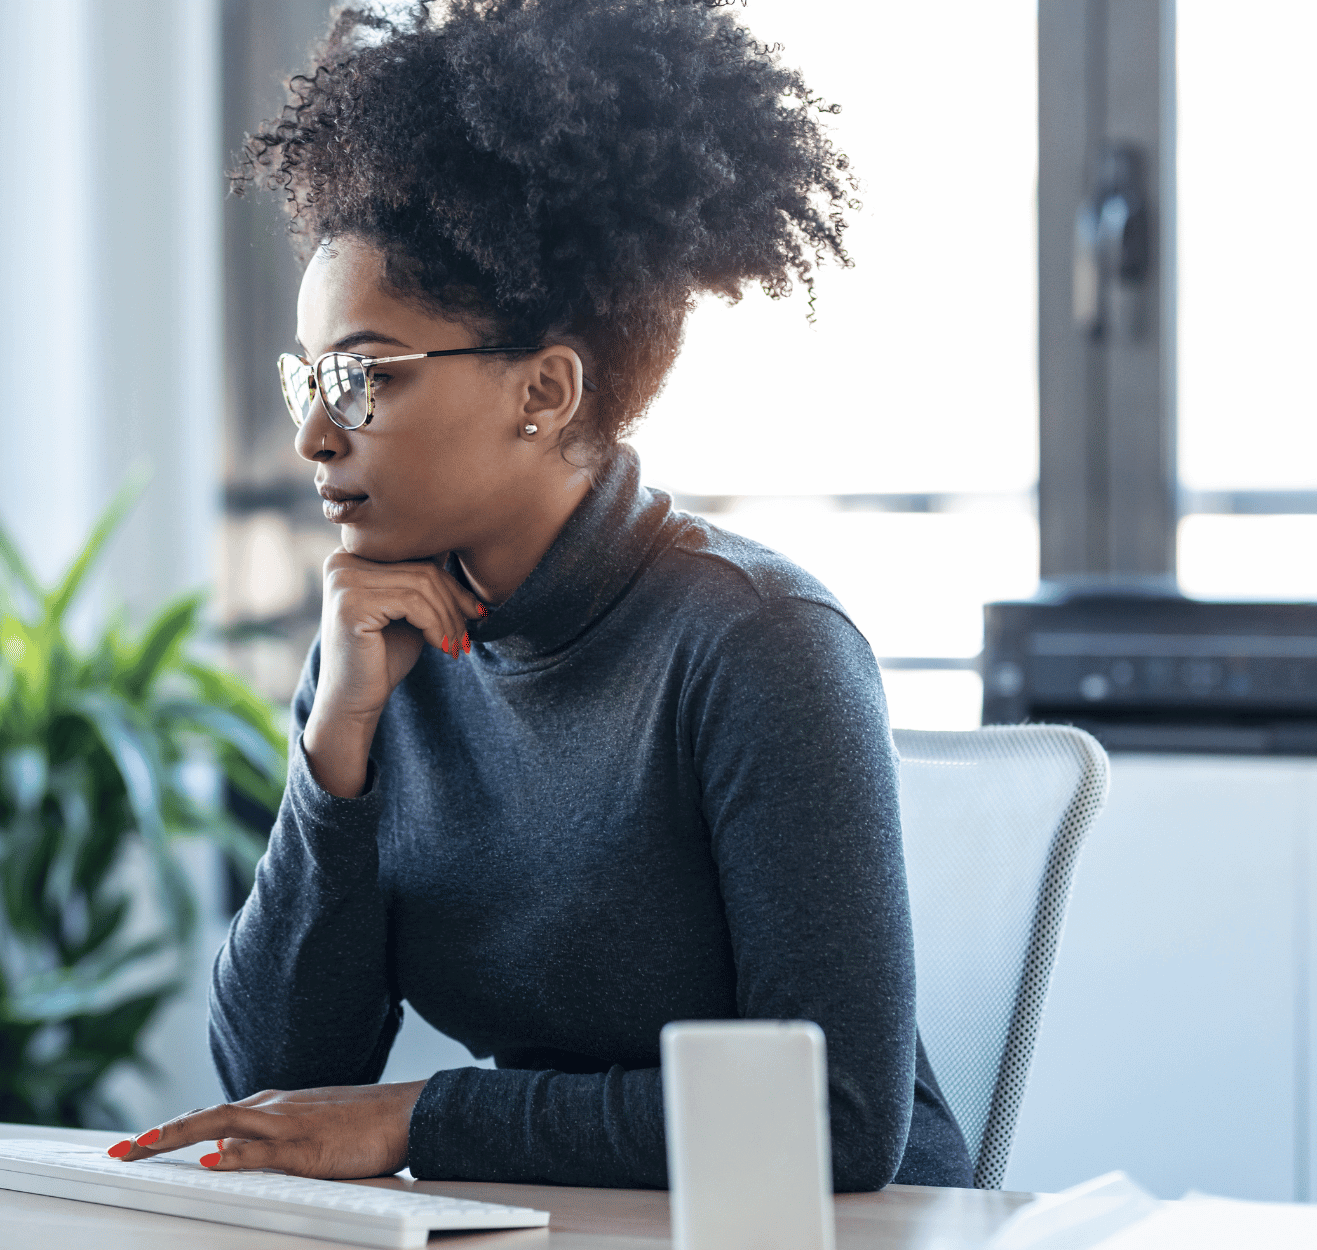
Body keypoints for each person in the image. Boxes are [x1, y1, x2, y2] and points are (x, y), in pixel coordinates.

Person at [111, 0, 971, 1190]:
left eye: (359, 376)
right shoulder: (380, 645)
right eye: (305, 375)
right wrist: (335, 751)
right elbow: (276, 1077)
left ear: (546, 391)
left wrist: (424, 1119)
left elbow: (834, 1120)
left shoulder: (756, 644)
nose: (311, 432)